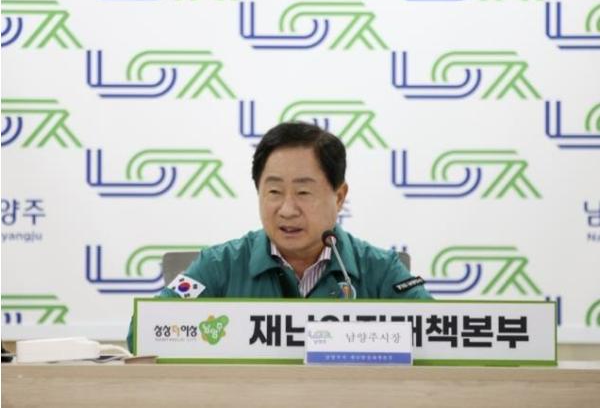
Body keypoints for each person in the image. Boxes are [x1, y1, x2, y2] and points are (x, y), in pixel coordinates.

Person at [127, 122, 430, 350]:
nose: (287, 210)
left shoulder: (380, 268)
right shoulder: (220, 265)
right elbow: (143, 333)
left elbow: (435, 336)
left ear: (339, 197)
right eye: (274, 191)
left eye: (303, 192)